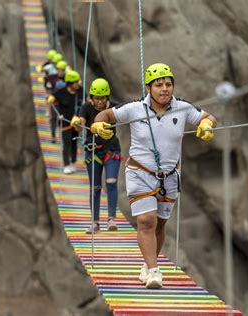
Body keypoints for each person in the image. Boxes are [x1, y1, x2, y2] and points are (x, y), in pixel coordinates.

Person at [91, 63, 217, 289]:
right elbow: (107, 114)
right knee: (146, 221)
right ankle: (153, 271)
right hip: (140, 172)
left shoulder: (183, 108)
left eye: (168, 84)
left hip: (170, 176)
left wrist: (207, 125)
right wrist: (98, 124)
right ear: (148, 88)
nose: (164, 89)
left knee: (159, 225)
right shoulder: (134, 109)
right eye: (158, 85)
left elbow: (207, 116)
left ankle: (149, 264)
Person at [70, 78, 122, 233]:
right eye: (97, 98)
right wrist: (76, 122)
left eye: (103, 98)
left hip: (112, 149)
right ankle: (95, 222)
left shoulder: (114, 108)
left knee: (111, 182)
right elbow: (81, 125)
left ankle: (111, 219)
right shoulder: (86, 107)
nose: (100, 102)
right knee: (96, 187)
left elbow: (126, 115)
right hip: (93, 151)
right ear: (91, 98)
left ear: (107, 97)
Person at [47, 70, 83, 174]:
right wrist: (50, 98)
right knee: (66, 143)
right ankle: (66, 164)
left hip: (76, 122)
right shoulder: (61, 92)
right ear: (70, 83)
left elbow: (85, 99)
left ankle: (73, 162)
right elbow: (53, 96)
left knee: (74, 143)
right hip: (65, 122)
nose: (78, 84)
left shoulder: (80, 91)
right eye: (76, 82)